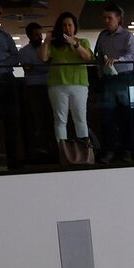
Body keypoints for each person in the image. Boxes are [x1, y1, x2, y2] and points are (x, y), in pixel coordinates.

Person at [42, 12, 97, 166]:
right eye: (64, 25)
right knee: (60, 120)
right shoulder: (54, 44)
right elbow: (43, 58)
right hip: (58, 85)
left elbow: (88, 58)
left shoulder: (83, 41)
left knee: (80, 119)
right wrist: (46, 41)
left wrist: (76, 44)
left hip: (79, 84)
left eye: (70, 25)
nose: (67, 28)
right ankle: (64, 154)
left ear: (75, 27)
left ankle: (85, 154)